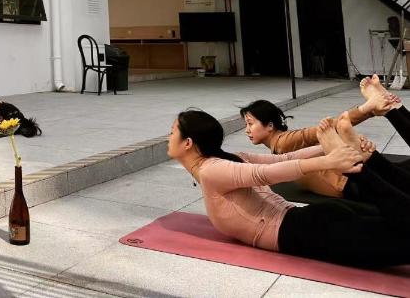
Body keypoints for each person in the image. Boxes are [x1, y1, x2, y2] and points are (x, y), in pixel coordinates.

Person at [168, 80, 410, 267]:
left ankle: (363, 166)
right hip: (314, 222)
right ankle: (370, 160)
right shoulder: (224, 163)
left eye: (172, 133)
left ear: (188, 143)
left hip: (309, 231)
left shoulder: (211, 170)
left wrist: (328, 156)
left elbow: (268, 171)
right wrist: (329, 151)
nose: (169, 138)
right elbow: (277, 164)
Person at [239, 81, 398, 198]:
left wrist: (367, 109)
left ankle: (385, 107)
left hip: (352, 185)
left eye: (250, 123)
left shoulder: (283, 142)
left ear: (269, 126)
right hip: (351, 183)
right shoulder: (279, 148)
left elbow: (325, 128)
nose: (247, 130)